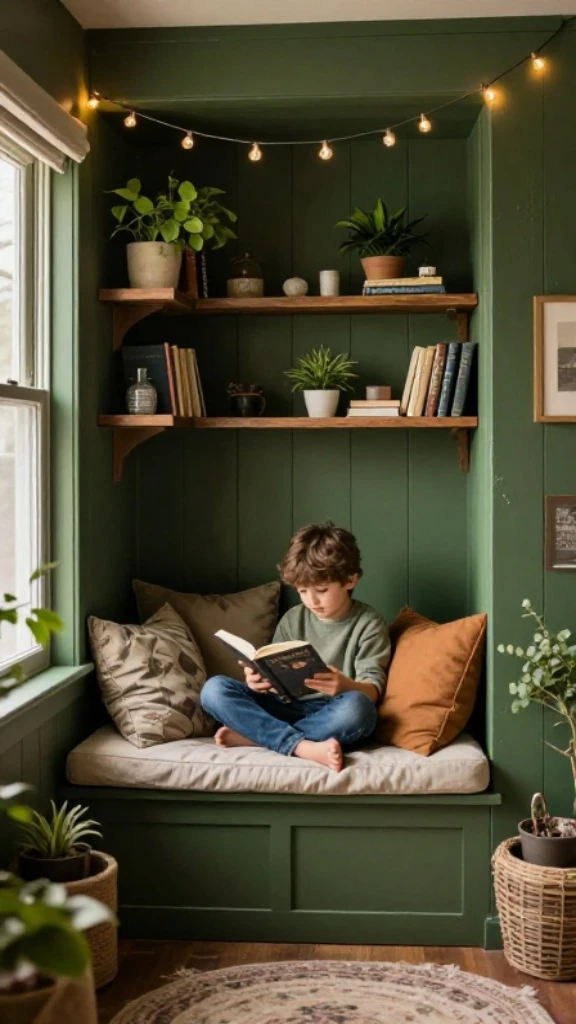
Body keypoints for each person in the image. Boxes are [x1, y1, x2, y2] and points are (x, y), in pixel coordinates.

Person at [200, 522, 390, 772]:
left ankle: (257, 737)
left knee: (359, 710)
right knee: (213, 689)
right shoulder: (293, 617)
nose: (312, 600)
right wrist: (258, 681)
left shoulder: (368, 623)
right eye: (302, 591)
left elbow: (373, 690)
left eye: (322, 590)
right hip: (283, 707)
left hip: (331, 712)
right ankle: (301, 745)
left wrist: (344, 685)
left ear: (350, 580)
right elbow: (276, 671)